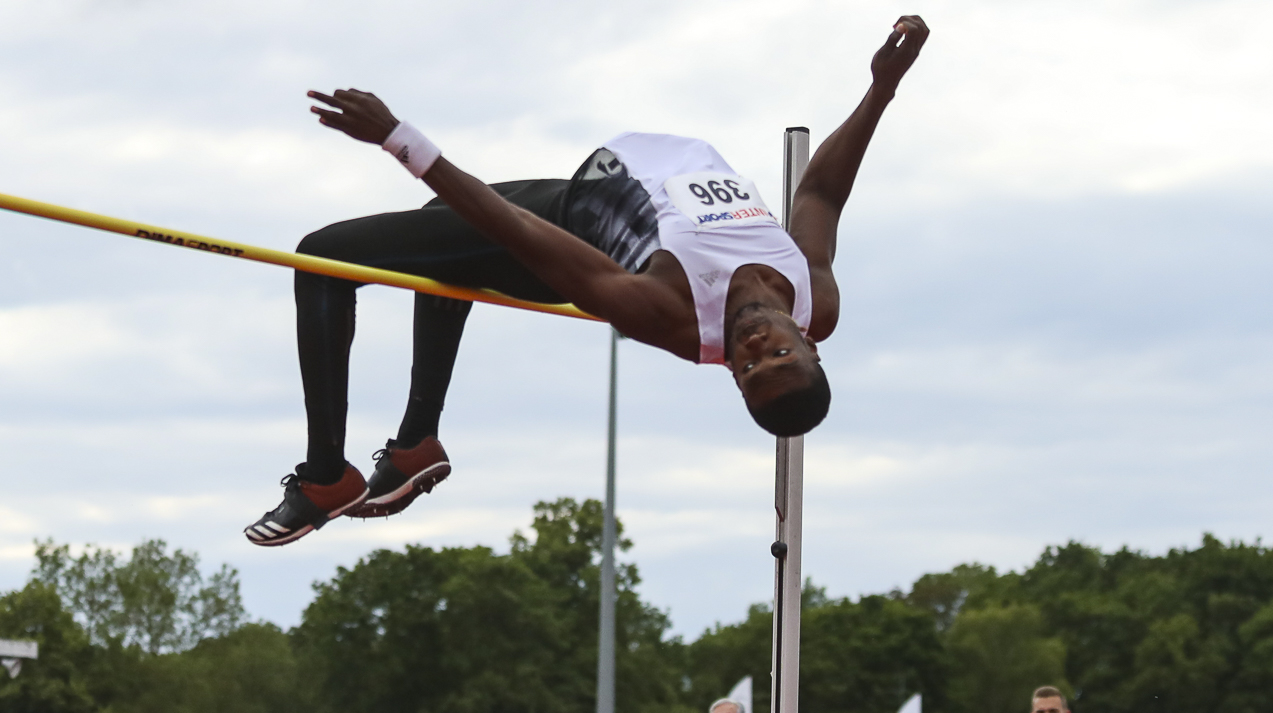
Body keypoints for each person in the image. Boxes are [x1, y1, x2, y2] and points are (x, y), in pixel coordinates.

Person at [242, 16, 930, 546]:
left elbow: (519, 233)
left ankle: (326, 476)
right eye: (777, 353)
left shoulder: (665, 310)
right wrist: (882, 89)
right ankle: (417, 443)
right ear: (810, 344)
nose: (753, 348)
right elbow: (821, 195)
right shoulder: (815, 297)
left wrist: (400, 138)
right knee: (435, 232)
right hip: (579, 192)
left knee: (321, 259)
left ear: (734, 378)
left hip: (555, 231)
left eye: (749, 369)